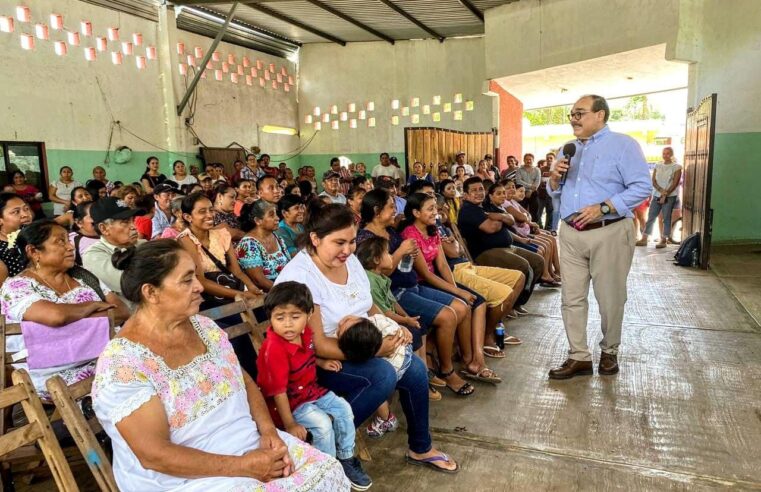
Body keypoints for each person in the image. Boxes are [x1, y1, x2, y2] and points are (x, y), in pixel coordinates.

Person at [92, 240, 349, 492]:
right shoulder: (123, 366)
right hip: (181, 478)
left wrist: (269, 431)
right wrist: (244, 466)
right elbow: (155, 455)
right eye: (187, 279)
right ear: (151, 292)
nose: (199, 287)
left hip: (246, 445)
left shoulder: (205, 329)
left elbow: (244, 380)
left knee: (327, 470)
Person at [274, 203, 459, 473]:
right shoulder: (301, 278)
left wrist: (392, 327)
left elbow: (367, 304)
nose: (348, 250)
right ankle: (333, 449)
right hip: (317, 362)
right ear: (315, 239)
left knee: (416, 369)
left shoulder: (348, 261)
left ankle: (421, 447)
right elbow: (319, 345)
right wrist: (375, 350)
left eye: (351, 241)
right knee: (382, 375)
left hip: (361, 342)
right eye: (339, 242)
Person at [546, 94, 650, 379]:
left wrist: (604, 207)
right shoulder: (566, 150)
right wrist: (553, 179)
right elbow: (555, 191)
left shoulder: (623, 145)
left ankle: (609, 351)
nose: (573, 119)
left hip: (610, 232)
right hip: (570, 233)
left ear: (600, 115)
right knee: (571, 297)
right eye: (571, 114)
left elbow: (642, 186)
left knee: (610, 298)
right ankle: (578, 356)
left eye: (579, 113)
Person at [256, 282, 372, 490]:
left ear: (309, 314)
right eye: (279, 317)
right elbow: (278, 392)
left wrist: (320, 362)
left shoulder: (306, 333)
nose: (288, 325)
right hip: (290, 402)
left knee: (344, 409)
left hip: (311, 391)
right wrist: (290, 424)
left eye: (295, 316)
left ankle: (344, 458)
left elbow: (307, 354)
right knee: (323, 426)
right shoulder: (274, 349)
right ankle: (325, 472)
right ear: (271, 317)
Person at [358, 190, 472, 398]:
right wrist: (401, 251)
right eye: (391, 207)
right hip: (394, 293)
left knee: (461, 306)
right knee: (448, 315)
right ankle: (447, 370)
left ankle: (438, 359)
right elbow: (380, 275)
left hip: (411, 285)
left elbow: (407, 265)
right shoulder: (366, 238)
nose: (396, 211)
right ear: (376, 211)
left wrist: (407, 254)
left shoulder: (391, 232)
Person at [0, 220, 129, 395]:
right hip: (53, 372)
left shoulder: (82, 276)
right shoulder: (17, 286)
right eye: (60, 241)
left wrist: (70, 321)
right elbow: (55, 316)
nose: (70, 247)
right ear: (33, 251)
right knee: (122, 386)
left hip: (102, 357)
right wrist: (93, 305)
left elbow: (121, 311)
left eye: (68, 240)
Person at [400, 193, 499, 384]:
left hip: (435, 279)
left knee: (469, 303)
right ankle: (467, 361)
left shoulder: (432, 230)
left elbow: (443, 265)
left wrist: (455, 289)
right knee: (461, 303)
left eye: (435, 208)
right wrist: (458, 292)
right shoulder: (410, 235)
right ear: (415, 212)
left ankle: (474, 360)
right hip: (420, 282)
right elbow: (426, 275)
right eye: (430, 209)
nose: (435, 212)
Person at [177, 192, 262, 376]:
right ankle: (249, 377)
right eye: (202, 212)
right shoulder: (186, 240)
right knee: (239, 326)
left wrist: (253, 289)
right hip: (207, 299)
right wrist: (239, 296)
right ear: (187, 217)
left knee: (263, 312)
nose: (209, 215)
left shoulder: (222, 234)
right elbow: (200, 281)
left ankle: (268, 370)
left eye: (211, 210)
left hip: (230, 291)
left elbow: (236, 271)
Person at [435, 195, 525, 354]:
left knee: (519, 277)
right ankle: (485, 335)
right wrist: (455, 245)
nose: (443, 212)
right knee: (504, 294)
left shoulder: (447, 226)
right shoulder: (432, 228)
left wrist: (453, 237)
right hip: (456, 271)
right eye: (438, 209)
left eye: (444, 209)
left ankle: (491, 329)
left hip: (468, 265)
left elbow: (460, 249)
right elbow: (452, 252)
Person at [457, 177, 544, 313]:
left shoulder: (484, 207)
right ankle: (509, 305)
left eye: (481, 189)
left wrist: (499, 217)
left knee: (538, 261)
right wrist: (501, 218)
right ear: (466, 195)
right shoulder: (469, 210)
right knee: (523, 266)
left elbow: (511, 219)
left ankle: (517, 302)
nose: (479, 192)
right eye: (474, 190)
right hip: (486, 252)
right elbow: (492, 227)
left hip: (507, 247)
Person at [83, 197, 146, 310]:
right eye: (125, 222)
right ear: (104, 228)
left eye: (133, 220)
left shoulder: (142, 244)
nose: (134, 227)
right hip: (130, 320)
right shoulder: (93, 255)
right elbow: (132, 284)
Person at [237, 201, 291, 292]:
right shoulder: (248, 244)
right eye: (271, 215)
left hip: (286, 287)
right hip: (269, 294)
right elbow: (259, 280)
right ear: (258, 221)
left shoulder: (277, 238)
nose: (277, 218)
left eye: (276, 214)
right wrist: (285, 292)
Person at [638, 146, 682, 248]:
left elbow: (675, 183)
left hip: (670, 196)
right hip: (657, 194)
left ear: (672, 154)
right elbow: (653, 181)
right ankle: (644, 238)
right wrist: (661, 191)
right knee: (651, 216)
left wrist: (665, 193)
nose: (665, 155)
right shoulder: (658, 165)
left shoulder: (677, 167)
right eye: (664, 153)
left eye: (668, 153)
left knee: (666, 217)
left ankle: (664, 239)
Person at [0, 193, 35, 283]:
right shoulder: (2, 250)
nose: (25, 214)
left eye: (26, 209)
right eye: (16, 212)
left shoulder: (37, 235)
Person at [515, 153, 541, 221]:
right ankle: (523, 226)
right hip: (521, 193)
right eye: (526, 159)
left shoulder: (537, 170)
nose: (528, 161)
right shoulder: (519, 170)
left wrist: (530, 190)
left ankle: (534, 228)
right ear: (524, 160)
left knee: (535, 211)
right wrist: (530, 186)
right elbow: (518, 181)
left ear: (533, 160)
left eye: (530, 159)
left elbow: (537, 182)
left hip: (533, 192)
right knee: (522, 210)